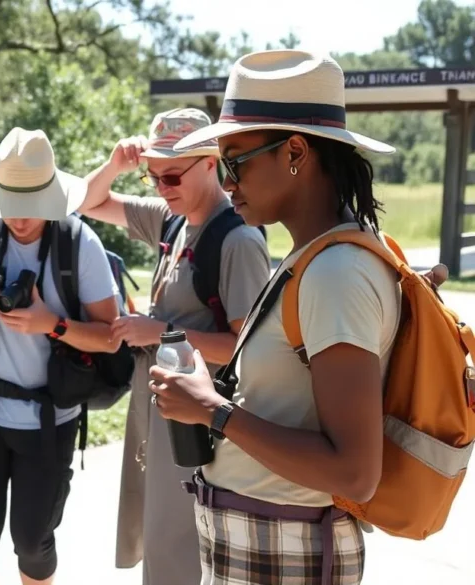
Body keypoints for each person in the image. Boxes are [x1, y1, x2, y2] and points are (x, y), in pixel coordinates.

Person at [150, 49, 400, 585]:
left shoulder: (335, 273)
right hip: (266, 543)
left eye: (235, 161)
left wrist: (213, 410)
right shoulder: (317, 257)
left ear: (295, 152)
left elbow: (354, 473)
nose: (227, 181)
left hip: (288, 551)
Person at [79, 108, 271, 583]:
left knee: (179, 543)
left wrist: (159, 331)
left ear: (210, 163)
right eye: (152, 177)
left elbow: (250, 350)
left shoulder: (238, 239)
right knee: (157, 532)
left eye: (171, 175)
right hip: (160, 409)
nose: (161, 188)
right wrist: (114, 164)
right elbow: (87, 202)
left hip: (198, 425)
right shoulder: (171, 218)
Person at [0, 128, 120, 585]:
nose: (19, 218)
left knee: (33, 541)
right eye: (9, 203)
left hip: (49, 416)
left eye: (32, 203)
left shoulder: (79, 244)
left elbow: (111, 339)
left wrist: (51, 324)